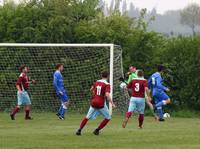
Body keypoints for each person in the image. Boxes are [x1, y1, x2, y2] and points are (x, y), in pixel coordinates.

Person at [76, 71, 115, 136]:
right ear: (108, 76)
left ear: (101, 75)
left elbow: (91, 89)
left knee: (87, 117)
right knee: (108, 117)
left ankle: (79, 130)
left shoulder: (97, 82)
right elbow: (107, 95)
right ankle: (97, 130)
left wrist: (95, 95)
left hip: (94, 102)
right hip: (101, 103)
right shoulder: (107, 84)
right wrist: (112, 103)